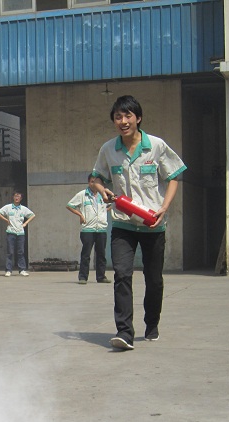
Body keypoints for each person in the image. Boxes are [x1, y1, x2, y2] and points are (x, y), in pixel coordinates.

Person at [90, 95, 186, 351]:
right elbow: (96, 178)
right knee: (122, 275)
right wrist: (101, 189)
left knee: (153, 280)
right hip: (123, 224)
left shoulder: (155, 146)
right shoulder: (108, 149)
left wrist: (164, 208)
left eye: (128, 116)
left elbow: (174, 176)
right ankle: (124, 332)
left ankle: (152, 323)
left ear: (138, 118)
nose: (123, 121)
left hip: (152, 224)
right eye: (118, 117)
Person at [66, 175, 111, 285]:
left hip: (101, 228)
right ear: (88, 182)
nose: (93, 184)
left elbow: (111, 204)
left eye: (96, 182)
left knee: (101, 254)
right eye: (91, 182)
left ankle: (101, 276)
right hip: (88, 229)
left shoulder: (103, 194)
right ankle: (83, 277)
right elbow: (69, 205)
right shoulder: (82, 195)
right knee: (86, 254)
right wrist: (80, 215)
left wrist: (104, 212)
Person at [0, 190, 35, 277]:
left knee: (21, 252)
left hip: (20, 233)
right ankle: (8, 270)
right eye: (15, 196)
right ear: (13, 197)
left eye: (19, 197)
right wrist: (6, 220)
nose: (17, 198)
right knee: (10, 252)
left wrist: (25, 223)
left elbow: (32, 215)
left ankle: (22, 269)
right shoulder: (8, 207)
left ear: (21, 198)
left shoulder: (23, 209)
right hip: (11, 232)